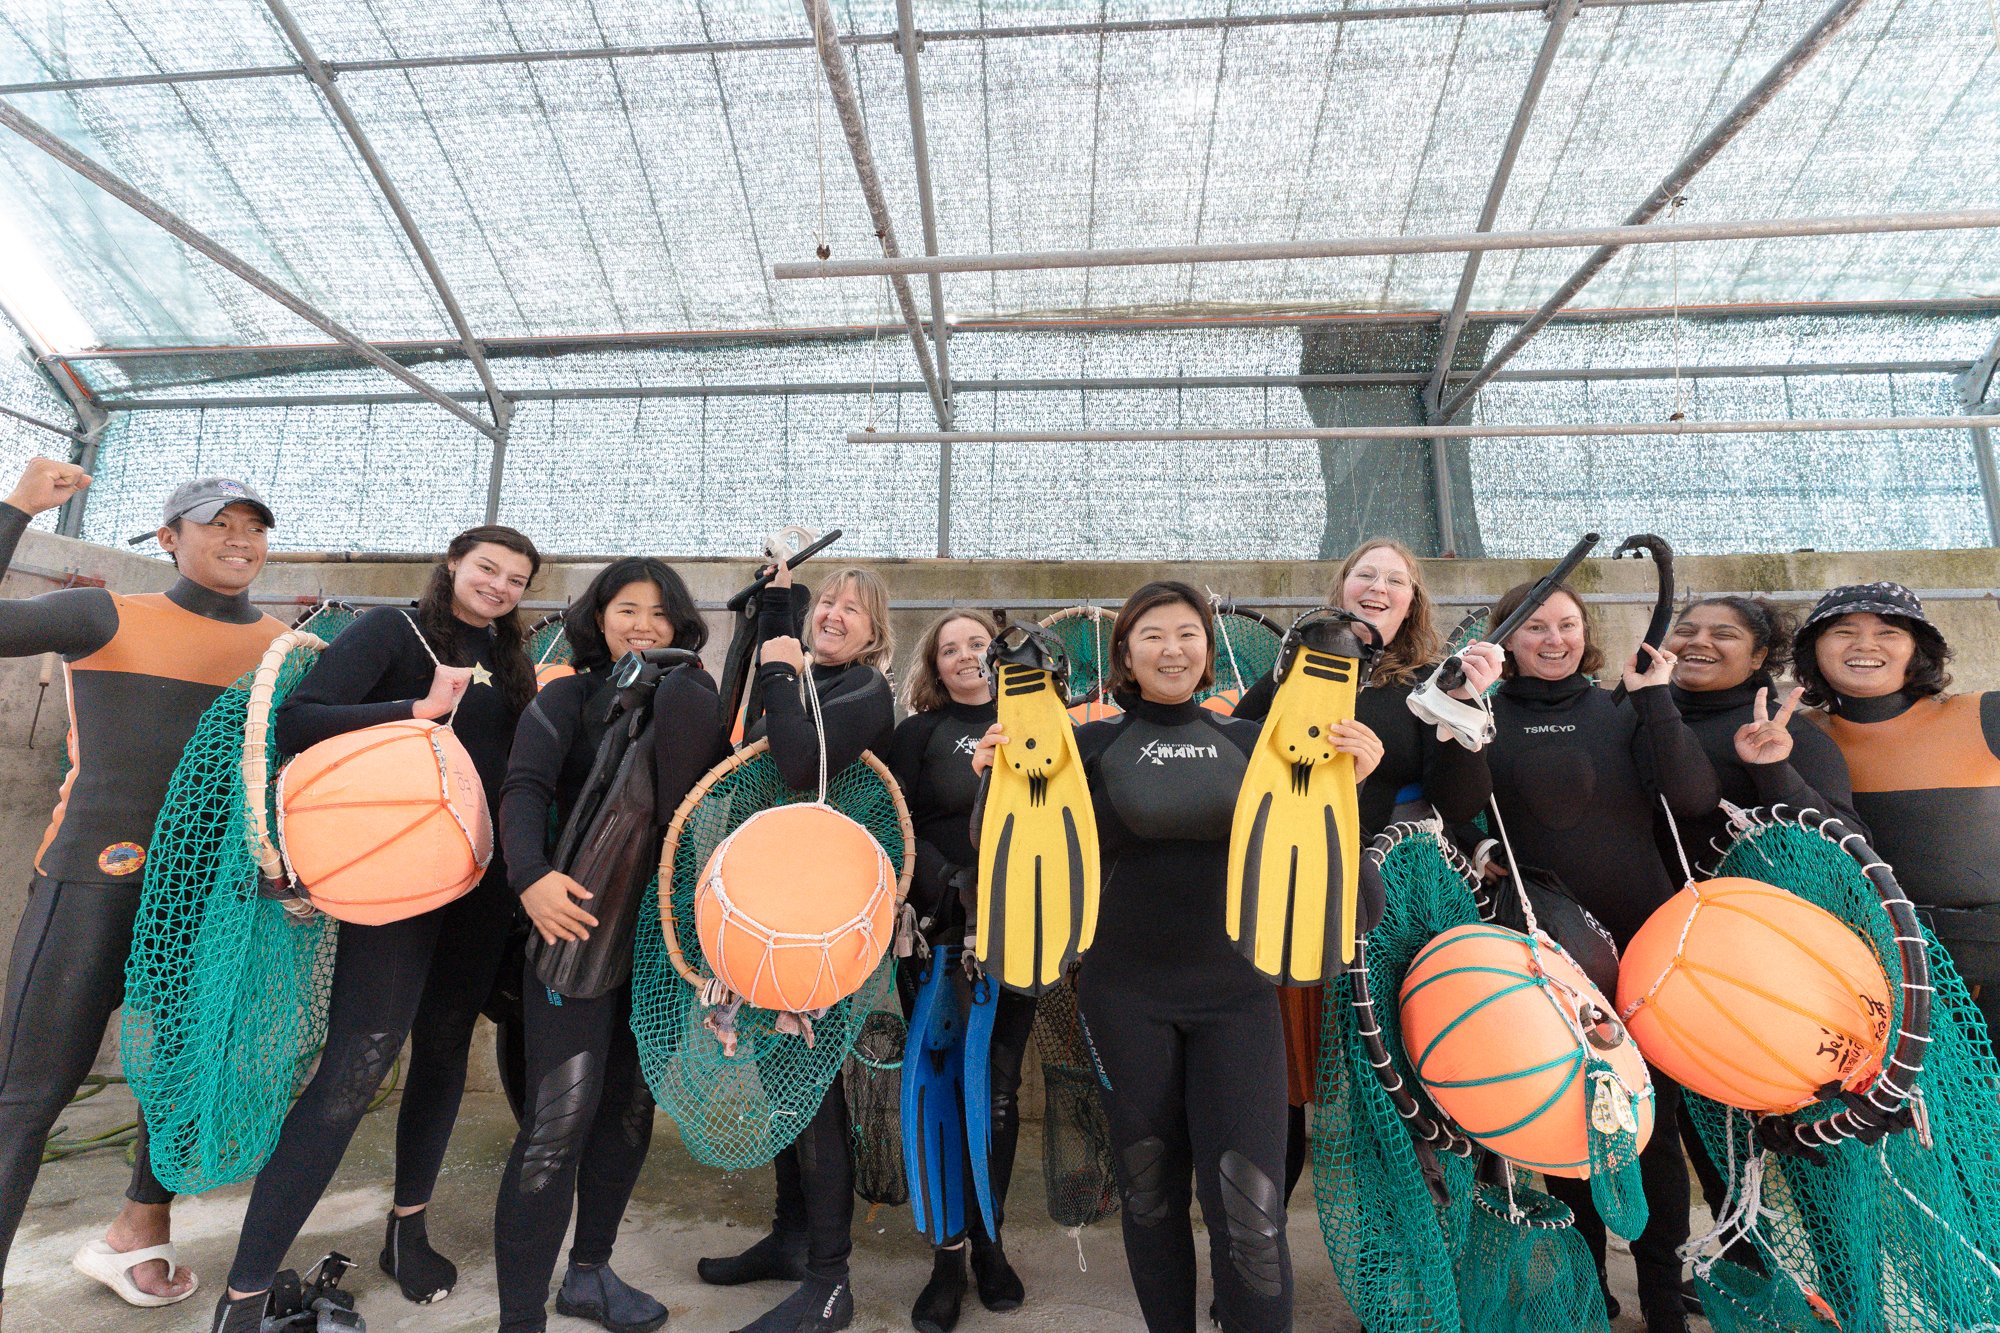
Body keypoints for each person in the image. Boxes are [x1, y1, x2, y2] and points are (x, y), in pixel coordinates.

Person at [974, 581, 1383, 1333]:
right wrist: (993, 785)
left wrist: (1347, 790)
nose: (1173, 648)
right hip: (1124, 993)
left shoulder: (1259, 743)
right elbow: (1002, 859)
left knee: (1251, 1205)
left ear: (1209, 646)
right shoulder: (1082, 747)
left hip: (1238, 997)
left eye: (1188, 632)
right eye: (1153, 634)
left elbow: (1363, 905)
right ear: (1125, 654)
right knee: (1149, 1188)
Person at [210, 525, 541, 1333]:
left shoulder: (512, 661)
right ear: (454, 564)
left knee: (444, 1047)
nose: (499, 585)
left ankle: (408, 1229)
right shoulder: (392, 630)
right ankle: (245, 1290)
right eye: (487, 567)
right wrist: (414, 710)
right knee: (356, 1065)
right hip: (394, 882)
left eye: (517, 578)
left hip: (481, 887)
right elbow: (297, 720)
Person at [0, 462, 289, 1318]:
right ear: (169, 538)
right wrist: (18, 507)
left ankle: (135, 1236)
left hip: (209, 901)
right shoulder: (104, 614)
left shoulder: (281, 647)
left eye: (253, 526)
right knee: (31, 1090)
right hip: (93, 879)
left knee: (180, 1081)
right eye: (217, 524)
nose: (240, 539)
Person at [1475, 579, 1717, 1333]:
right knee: (1562, 1115)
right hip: (1545, 947)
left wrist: (1655, 700)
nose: (1554, 639)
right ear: (1507, 637)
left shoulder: (1624, 708)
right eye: (1536, 626)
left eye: (1568, 624)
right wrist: (1481, 850)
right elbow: (1454, 811)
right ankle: (1586, 1284)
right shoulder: (1482, 714)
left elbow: (1694, 795)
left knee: (1655, 1119)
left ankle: (1662, 1291)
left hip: (1643, 943)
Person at [494, 558, 725, 1333]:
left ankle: (588, 1272)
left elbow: (697, 787)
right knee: (558, 1121)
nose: (645, 625)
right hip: (575, 928)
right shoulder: (567, 694)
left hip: (657, 940)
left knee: (629, 1107)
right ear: (598, 616)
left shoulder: (691, 694)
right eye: (629, 608)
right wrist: (531, 877)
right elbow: (522, 787)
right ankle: (520, 1316)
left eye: (662, 615)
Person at [1233, 538, 1500, 1201]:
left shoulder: (1429, 681)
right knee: (1279, 1086)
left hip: (1380, 911)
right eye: (1365, 574)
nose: (1378, 587)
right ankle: (1262, 1244)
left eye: (1396, 579)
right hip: (1288, 897)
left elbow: (1462, 801)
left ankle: (1391, 1265)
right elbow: (1233, 761)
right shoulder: (1293, 667)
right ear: (1342, 585)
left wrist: (1465, 705)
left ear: (1414, 599)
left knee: (1382, 1088)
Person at [696, 563, 896, 1333]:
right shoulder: (804, 676)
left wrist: (779, 667)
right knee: (781, 1082)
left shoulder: (864, 692)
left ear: (876, 634)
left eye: (854, 607)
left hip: (818, 920)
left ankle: (831, 1280)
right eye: (828, 603)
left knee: (813, 1095)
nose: (836, 614)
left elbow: (795, 761)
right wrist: (776, 614)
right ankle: (789, 1236)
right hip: (766, 910)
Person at [885, 609, 1034, 1333]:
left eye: (979, 642)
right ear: (935, 667)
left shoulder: (1039, 725)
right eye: (951, 648)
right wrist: (949, 883)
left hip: (1019, 937)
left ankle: (989, 1243)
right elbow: (896, 823)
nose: (967, 655)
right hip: (940, 935)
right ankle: (946, 1254)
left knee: (998, 1094)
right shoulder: (918, 734)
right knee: (941, 1092)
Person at [1793, 582, 2000, 1033]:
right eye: (1844, 631)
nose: (1865, 644)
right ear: (1816, 651)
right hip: (1868, 973)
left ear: (1917, 651)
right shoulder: (1788, 736)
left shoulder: (1984, 714)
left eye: (1888, 632)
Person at [1663, 595, 1864, 869]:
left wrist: (1774, 771)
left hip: (1740, 905)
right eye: (1685, 631)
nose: (1698, 641)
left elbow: (1853, 845)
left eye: (1724, 634)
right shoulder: (1635, 712)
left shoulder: (1786, 734)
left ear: (1758, 656)